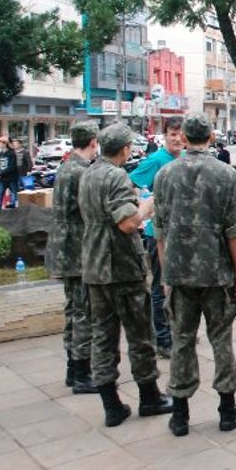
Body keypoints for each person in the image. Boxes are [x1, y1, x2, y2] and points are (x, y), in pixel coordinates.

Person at [153, 112, 236, 437]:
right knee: (221, 338)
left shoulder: (165, 175)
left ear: (183, 137)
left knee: (182, 340)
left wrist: (167, 276)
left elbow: (161, 233)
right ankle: (227, 409)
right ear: (210, 137)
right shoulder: (224, 174)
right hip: (216, 272)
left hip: (179, 273)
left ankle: (179, 414)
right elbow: (234, 233)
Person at [79, 122, 173, 427]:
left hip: (94, 267)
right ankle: (150, 397)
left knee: (103, 338)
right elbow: (128, 224)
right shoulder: (115, 176)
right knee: (139, 335)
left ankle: (111, 404)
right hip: (120, 268)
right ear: (124, 149)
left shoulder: (88, 173)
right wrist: (147, 205)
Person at [46, 122, 100, 395]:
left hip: (62, 249)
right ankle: (81, 372)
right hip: (77, 251)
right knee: (83, 312)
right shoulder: (81, 172)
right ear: (92, 142)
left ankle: (72, 368)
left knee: (73, 310)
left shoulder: (66, 167)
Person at [128, 116, 184, 358]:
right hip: (157, 234)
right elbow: (130, 183)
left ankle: (176, 331)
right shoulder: (156, 160)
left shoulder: (184, 159)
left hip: (181, 235)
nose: (176, 139)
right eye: (172, 134)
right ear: (165, 136)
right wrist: (141, 208)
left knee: (179, 287)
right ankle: (162, 338)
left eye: (180, 134)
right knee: (161, 287)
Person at [0, 135, 18, 215]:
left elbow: (12, 167)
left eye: (0, 142)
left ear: (5, 144)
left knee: (15, 194)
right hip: (2, 179)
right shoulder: (0, 154)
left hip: (11, 178)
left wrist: (0, 173)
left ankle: (16, 210)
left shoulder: (11, 153)